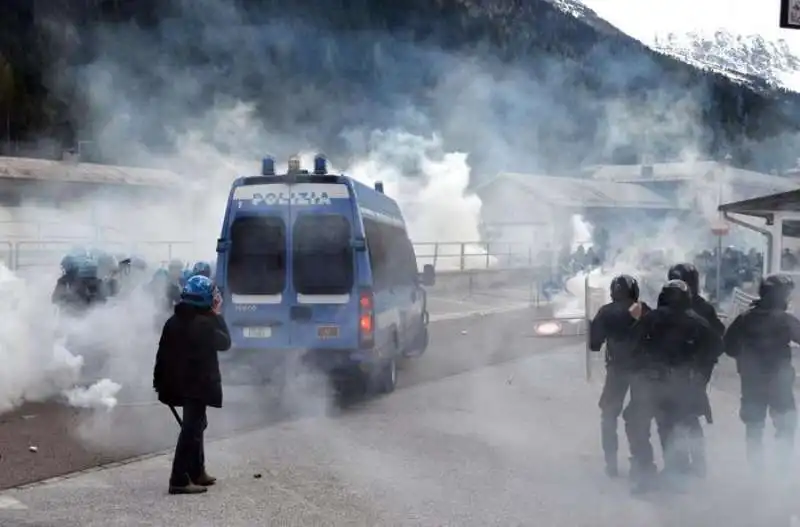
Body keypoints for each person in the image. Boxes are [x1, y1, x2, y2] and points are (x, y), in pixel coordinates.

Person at [625, 280, 722, 494]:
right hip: (681, 385)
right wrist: (698, 374)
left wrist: (639, 371)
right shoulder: (697, 321)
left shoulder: (650, 318)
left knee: (636, 423)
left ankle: (646, 471)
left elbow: (631, 346)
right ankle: (676, 473)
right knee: (673, 427)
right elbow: (716, 347)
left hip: (651, 384)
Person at [153, 275, 231, 495]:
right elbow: (225, 342)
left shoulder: (173, 321)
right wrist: (217, 315)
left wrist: (159, 384)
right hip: (196, 385)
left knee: (196, 426)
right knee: (191, 430)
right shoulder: (204, 325)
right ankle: (178, 479)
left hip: (179, 383)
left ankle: (197, 471)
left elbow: (161, 356)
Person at [723, 274, 800, 471]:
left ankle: (756, 471)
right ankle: (782, 471)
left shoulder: (744, 318)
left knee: (754, 427)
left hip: (752, 383)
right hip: (779, 384)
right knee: (784, 426)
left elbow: (729, 346)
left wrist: (746, 359)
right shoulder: (785, 320)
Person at [589, 274, 651, 477]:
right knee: (639, 417)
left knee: (608, 416)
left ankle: (611, 464)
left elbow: (594, 345)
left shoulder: (605, 312)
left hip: (616, 370)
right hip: (642, 370)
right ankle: (641, 463)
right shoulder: (643, 309)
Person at [666, 262, 725, 477]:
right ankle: (685, 465)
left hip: (690, 370)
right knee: (681, 417)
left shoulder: (701, 308)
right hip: (679, 371)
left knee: (685, 417)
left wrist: (701, 366)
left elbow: (718, 338)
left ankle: (694, 465)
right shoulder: (697, 307)